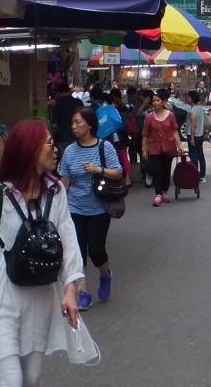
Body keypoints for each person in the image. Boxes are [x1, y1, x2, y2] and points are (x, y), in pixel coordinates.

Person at [0, 120, 83, 387]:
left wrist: (70, 290)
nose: (55, 149)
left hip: (41, 297)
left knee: (31, 378)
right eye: (49, 143)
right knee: (11, 379)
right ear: (29, 149)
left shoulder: (56, 192)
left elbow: (68, 241)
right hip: (3, 297)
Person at [57, 107, 122, 311]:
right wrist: (57, 202)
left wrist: (98, 169)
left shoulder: (105, 147)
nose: (73, 126)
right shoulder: (69, 151)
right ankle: (83, 292)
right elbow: (65, 179)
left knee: (96, 249)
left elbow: (118, 172)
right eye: (72, 122)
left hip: (99, 208)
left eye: (78, 122)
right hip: (74, 207)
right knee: (77, 250)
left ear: (90, 125)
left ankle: (105, 275)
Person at [141, 90, 185, 207]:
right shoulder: (149, 117)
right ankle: (158, 194)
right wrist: (144, 149)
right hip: (154, 148)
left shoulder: (170, 115)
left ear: (164, 101)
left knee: (166, 171)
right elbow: (145, 134)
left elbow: (175, 131)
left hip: (168, 147)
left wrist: (180, 145)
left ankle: (164, 191)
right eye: (154, 101)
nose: (155, 103)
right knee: (157, 171)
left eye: (158, 100)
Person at [49, 82, 81, 153]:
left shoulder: (58, 104)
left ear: (58, 92)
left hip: (63, 138)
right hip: (78, 137)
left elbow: (54, 125)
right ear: (69, 90)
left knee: (65, 157)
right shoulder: (78, 102)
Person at [185, 89, 208, 183]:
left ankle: (195, 176)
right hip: (200, 134)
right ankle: (202, 175)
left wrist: (192, 138)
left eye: (188, 97)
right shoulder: (200, 108)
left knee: (193, 156)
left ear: (192, 99)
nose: (186, 99)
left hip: (193, 135)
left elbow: (193, 125)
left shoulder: (193, 110)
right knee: (200, 155)